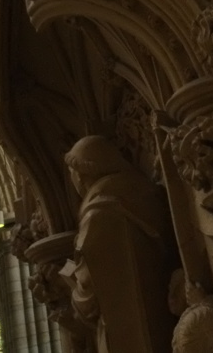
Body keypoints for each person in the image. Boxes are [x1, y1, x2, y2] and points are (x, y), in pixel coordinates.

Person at [62, 136, 175, 353]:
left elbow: (89, 301)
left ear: (82, 174)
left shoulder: (97, 216)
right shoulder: (144, 194)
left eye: (73, 174)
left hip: (123, 335)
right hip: (161, 320)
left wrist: (67, 280)